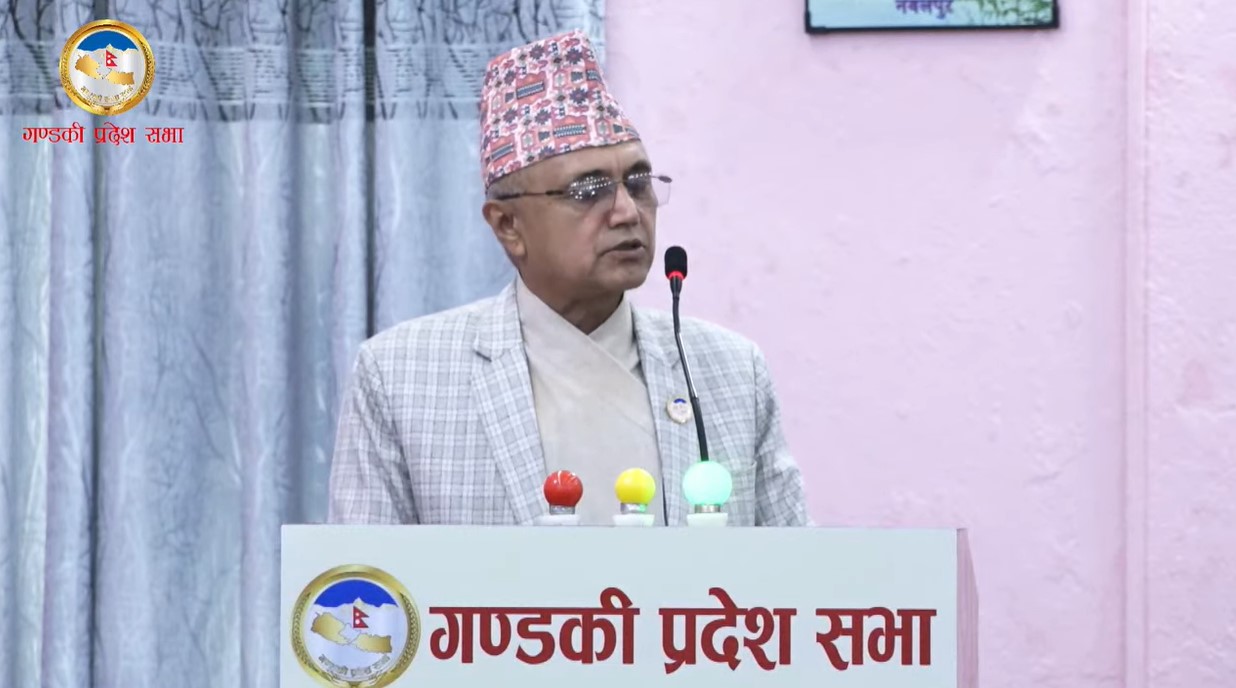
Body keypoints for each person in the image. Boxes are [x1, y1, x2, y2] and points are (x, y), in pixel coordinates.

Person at [327, 29, 810, 527]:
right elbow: (364, 571)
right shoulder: (402, 377)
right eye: (589, 190)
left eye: (638, 183)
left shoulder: (731, 371)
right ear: (508, 226)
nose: (627, 212)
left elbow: (797, 567)